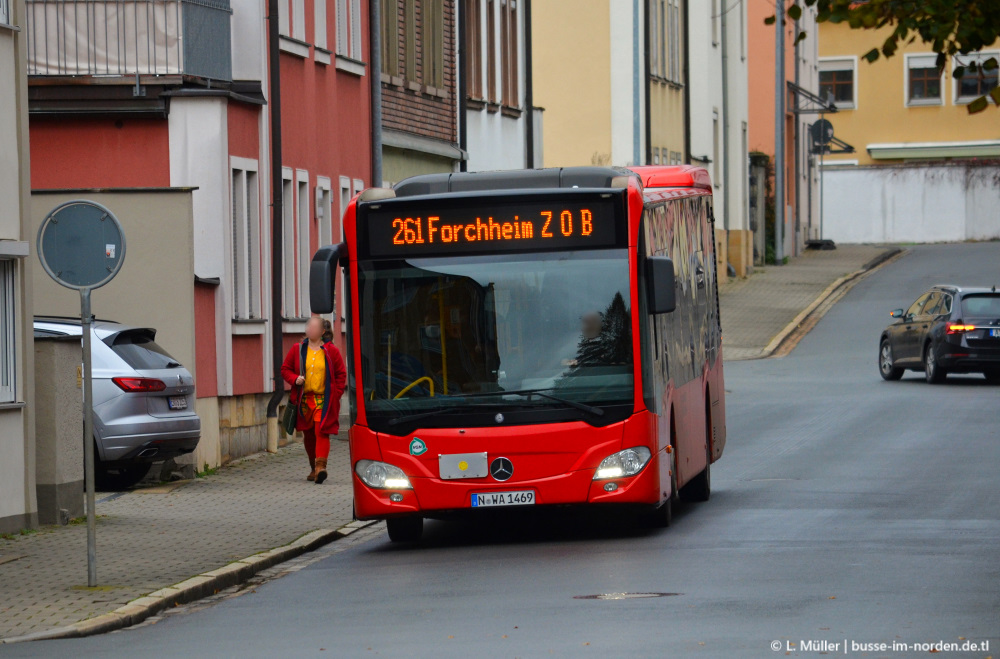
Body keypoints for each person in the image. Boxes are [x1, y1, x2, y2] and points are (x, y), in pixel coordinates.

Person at [281, 317, 347, 484]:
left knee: (321, 431)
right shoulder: (298, 349)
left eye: (313, 327)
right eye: (308, 326)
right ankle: (312, 467)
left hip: (323, 400)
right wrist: (295, 379)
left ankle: (320, 468)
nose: (309, 329)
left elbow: (341, 375)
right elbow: (285, 369)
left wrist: (336, 394)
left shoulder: (331, 351)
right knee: (309, 435)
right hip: (304, 400)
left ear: (322, 331)